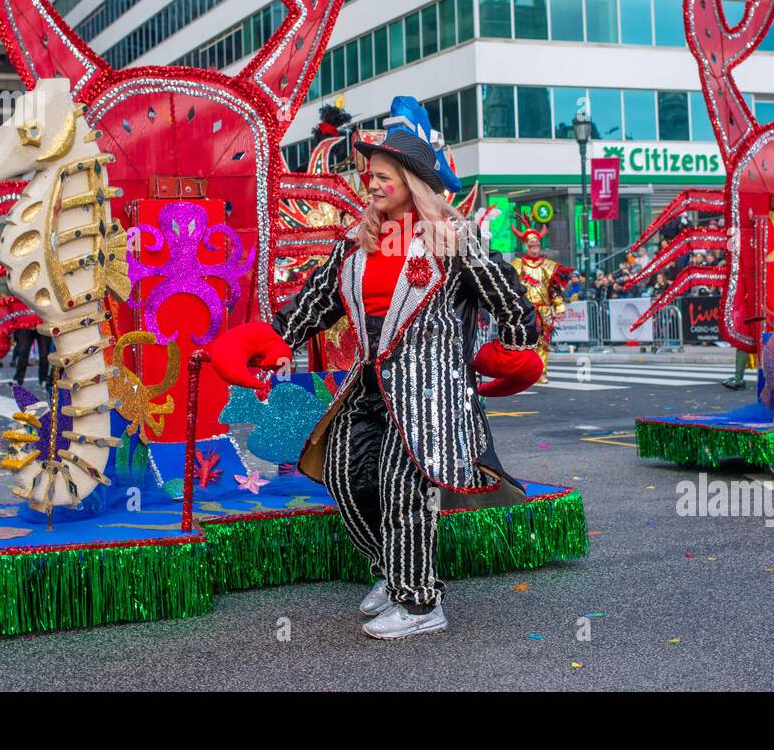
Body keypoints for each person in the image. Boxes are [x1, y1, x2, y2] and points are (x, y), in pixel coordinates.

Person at [211, 106, 541, 640]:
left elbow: (507, 296)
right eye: (369, 177)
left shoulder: (453, 240)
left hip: (432, 391)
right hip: (371, 385)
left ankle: (420, 603)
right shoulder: (355, 243)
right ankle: (393, 571)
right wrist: (265, 342)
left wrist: (517, 350)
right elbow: (314, 304)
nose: (371, 185)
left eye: (382, 177)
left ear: (413, 183)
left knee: (401, 486)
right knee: (342, 472)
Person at [509, 222, 571, 384]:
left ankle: (541, 372)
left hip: (543, 311)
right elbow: (511, 287)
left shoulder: (548, 266)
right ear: (525, 245)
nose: (535, 244)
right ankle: (524, 372)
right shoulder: (518, 265)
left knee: (543, 343)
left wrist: (559, 305)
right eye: (531, 242)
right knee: (524, 342)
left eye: (537, 242)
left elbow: (554, 288)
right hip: (525, 311)